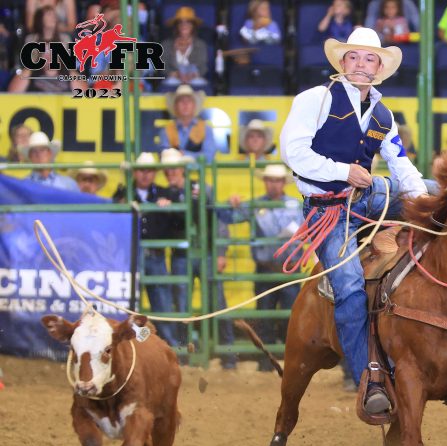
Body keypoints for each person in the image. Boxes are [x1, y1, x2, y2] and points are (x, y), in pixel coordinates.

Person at [279, 27, 427, 414]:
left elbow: (400, 162)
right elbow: (293, 153)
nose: (361, 65)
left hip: (368, 197)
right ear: (343, 63)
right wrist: (345, 171)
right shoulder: (315, 99)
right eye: (354, 57)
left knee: (436, 194)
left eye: (369, 59)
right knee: (348, 289)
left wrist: (425, 202)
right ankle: (370, 380)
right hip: (327, 210)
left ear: (379, 67)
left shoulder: (382, 112)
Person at [218, 164, 304, 371]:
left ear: (283, 183)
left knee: (291, 317)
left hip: (289, 269)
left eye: (277, 180)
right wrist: (230, 204)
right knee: (266, 317)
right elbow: (226, 216)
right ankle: (266, 362)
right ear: (265, 182)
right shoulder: (260, 205)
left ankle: (289, 360)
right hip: (268, 268)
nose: (274, 184)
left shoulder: (295, 205)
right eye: (270, 180)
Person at [158, 148, 237, 369]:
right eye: (168, 169)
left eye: (174, 168)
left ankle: (228, 355)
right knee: (182, 306)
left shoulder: (201, 187)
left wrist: (221, 252)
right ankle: (183, 355)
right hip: (182, 254)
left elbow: (219, 219)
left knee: (217, 302)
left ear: (182, 168)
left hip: (207, 252)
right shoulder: (165, 193)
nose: (171, 172)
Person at [112, 152, 180, 347]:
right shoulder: (123, 195)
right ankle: (132, 346)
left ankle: (170, 346)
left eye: (149, 171)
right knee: (133, 304)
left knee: (162, 304)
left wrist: (169, 208)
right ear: (135, 173)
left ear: (154, 173)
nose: (145, 174)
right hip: (131, 257)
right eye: (141, 170)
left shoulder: (164, 193)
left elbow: (175, 224)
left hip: (154, 255)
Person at [158, 85, 217, 162]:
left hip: (199, 173)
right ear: (175, 106)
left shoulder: (206, 128)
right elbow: (163, 156)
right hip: (174, 173)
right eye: (181, 101)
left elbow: (209, 156)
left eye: (189, 101)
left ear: (194, 105)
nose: (185, 104)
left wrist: (183, 154)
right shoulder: (166, 130)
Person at [160, 7, 209, 93]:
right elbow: (163, 66)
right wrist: (175, 74)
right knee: (170, 82)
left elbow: (203, 67)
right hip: (174, 78)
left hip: (194, 78)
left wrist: (192, 75)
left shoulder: (201, 44)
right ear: (176, 26)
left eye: (188, 22)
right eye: (180, 22)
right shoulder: (166, 44)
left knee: (199, 83)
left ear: (193, 26)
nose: (184, 25)